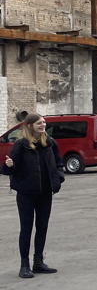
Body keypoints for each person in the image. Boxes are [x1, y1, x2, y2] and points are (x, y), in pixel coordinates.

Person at [2, 114, 63, 278]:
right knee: (26, 229)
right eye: (39, 123)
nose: (43, 125)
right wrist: (9, 166)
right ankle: (24, 265)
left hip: (45, 193)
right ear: (29, 125)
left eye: (44, 122)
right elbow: (8, 169)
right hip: (26, 193)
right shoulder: (21, 145)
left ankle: (38, 262)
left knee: (42, 227)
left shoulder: (49, 143)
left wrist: (58, 177)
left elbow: (59, 163)